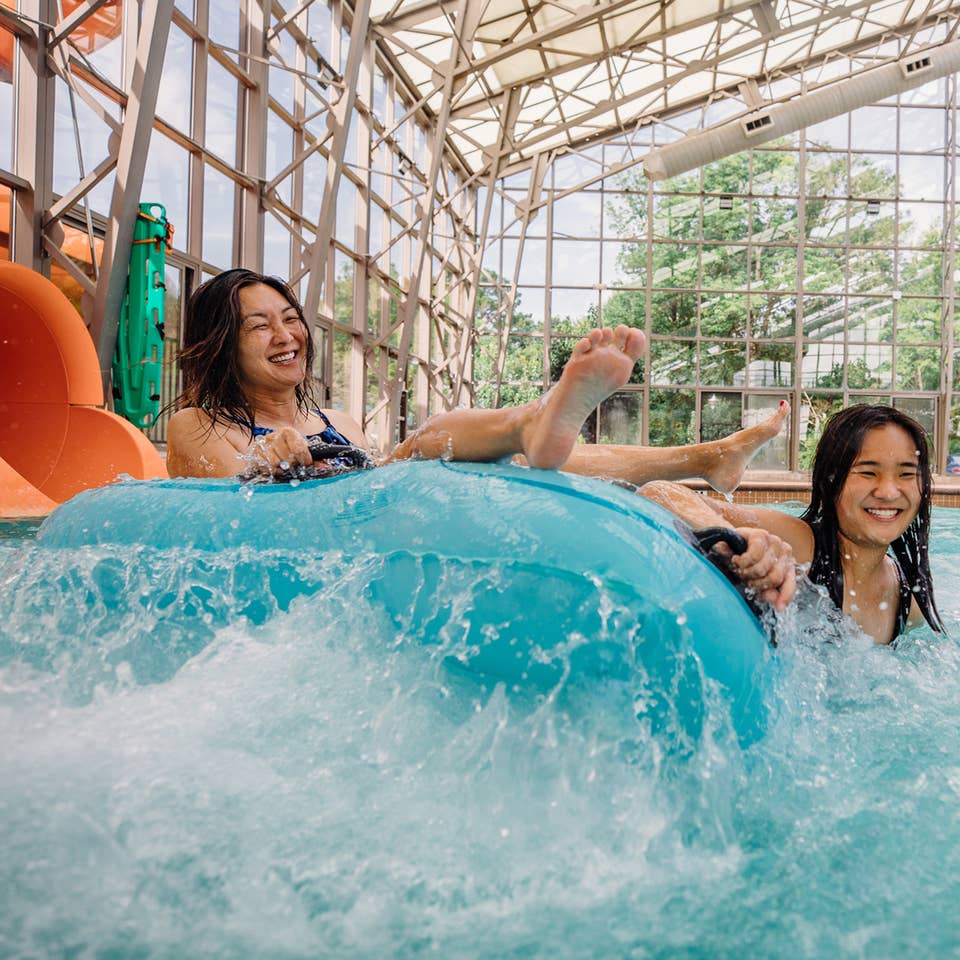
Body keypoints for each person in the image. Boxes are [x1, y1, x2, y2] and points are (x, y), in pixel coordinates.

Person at [166, 269, 797, 608]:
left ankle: (702, 458)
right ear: (222, 342)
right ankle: (540, 420)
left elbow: (377, 472)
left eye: (291, 318)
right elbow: (225, 518)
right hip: (333, 545)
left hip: (383, 519)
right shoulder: (198, 423)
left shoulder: (336, 418)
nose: (287, 335)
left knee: (479, 458)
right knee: (420, 449)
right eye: (259, 326)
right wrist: (265, 459)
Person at [640, 404, 945, 644]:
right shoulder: (800, 544)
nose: (889, 492)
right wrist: (737, 537)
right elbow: (660, 491)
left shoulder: (909, 600)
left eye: (906, 474)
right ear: (829, 481)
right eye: (868, 473)